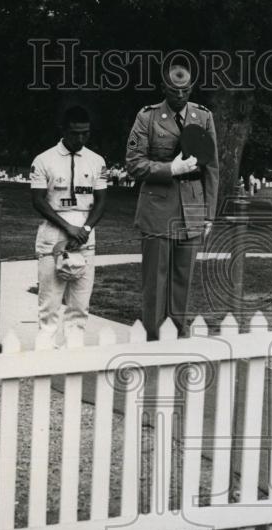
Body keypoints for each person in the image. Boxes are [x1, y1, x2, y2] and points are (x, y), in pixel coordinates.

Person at [126, 62, 219, 340]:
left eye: (186, 89)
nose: (181, 94)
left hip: (192, 206)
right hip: (157, 206)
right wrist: (170, 170)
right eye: (175, 89)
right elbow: (134, 164)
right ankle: (154, 340)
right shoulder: (148, 117)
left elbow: (212, 168)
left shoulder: (203, 116)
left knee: (183, 281)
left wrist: (209, 213)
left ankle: (179, 339)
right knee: (156, 282)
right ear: (164, 88)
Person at [30, 106, 107, 347]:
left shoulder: (96, 161)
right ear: (63, 130)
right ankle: (45, 361)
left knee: (80, 306)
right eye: (75, 133)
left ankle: (73, 357)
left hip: (85, 236)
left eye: (85, 133)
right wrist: (67, 227)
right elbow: (38, 201)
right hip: (53, 235)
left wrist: (84, 230)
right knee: (49, 305)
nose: (81, 138)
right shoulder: (44, 160)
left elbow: (101, 201)